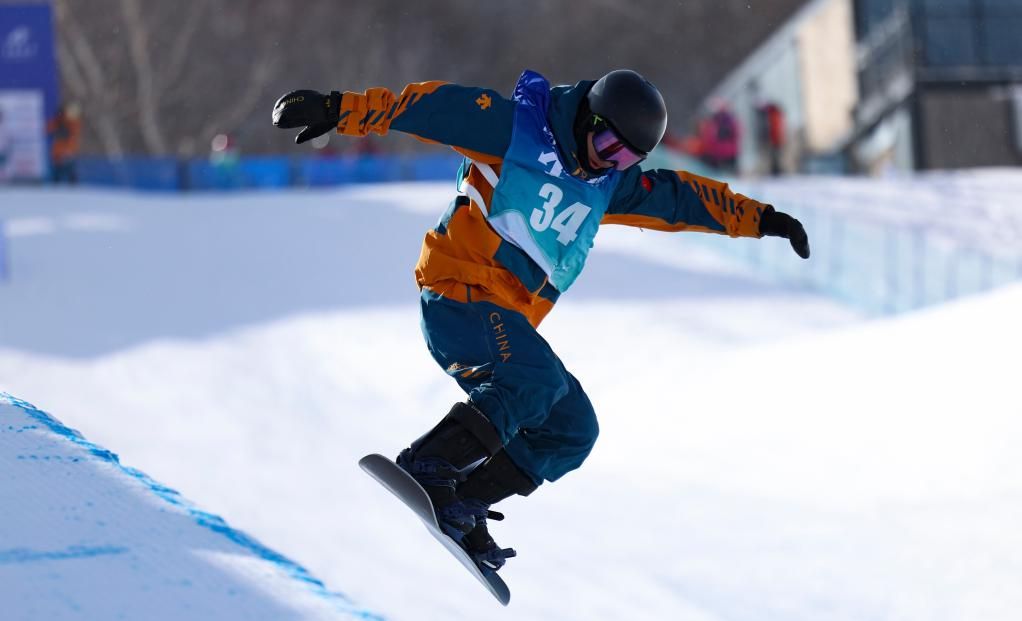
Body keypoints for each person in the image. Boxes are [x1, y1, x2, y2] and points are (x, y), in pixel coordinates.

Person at [272, 69, 809, 570]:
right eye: (608, 145)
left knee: (572, 428)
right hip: (458, 296)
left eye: (627, 157)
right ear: (588, 120)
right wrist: (338, 109)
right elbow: (426, 109)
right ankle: (429, 463)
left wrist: (762, 219)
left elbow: (679, 199)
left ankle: (464, 502)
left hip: (505, 323)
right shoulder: (514, 129)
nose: (610, 162)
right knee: (537, 380)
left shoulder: (608, 182)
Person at [47, 103, 82, 184]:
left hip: (67, 151)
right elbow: (48, 129)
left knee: (70, 172)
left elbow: (73, 132)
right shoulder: (56, 123)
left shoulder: (70, 123)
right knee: (58, 174)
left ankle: (73, 186)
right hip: (59, 152)